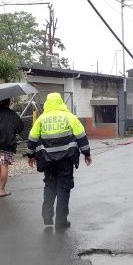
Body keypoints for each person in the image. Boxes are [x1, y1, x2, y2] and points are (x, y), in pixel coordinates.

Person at [26, 92, 92, 230]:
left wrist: (30, 156)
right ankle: (61, 221)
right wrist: (86, 153)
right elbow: (81, 135)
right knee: (63, 188)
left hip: (47, 161)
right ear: (61, 102)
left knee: (50, 186)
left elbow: (32, 138)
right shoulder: (69, 117)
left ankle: (47, 217)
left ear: (47, 104)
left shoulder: (42, 119)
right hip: (66, 160)